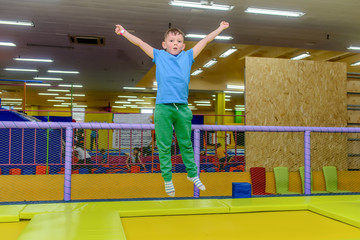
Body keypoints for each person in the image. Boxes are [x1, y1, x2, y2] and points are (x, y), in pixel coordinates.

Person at [115, 21, 230, 197]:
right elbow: (140, 43)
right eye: (171, 40)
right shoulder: (159, 55)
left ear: (183, 46)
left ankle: (192, 174)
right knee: (164, 145)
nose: (175, 44)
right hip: (163, 108)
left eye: (178, 41)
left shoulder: (188, 56)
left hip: (182, 108)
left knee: (186, 143)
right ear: (164, 44)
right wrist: (123, 32)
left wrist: (220, 29)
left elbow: (205, 41)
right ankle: (167, 179)